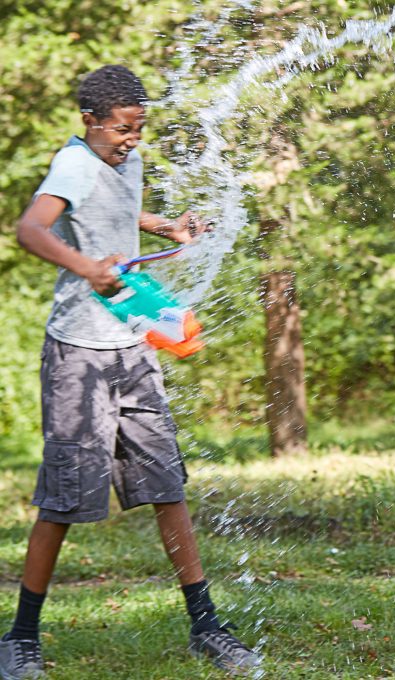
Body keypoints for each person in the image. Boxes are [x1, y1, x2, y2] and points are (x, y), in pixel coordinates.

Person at [5, 65, 261, 678]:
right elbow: (30, 229)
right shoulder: (72, 165)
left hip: (133, 346)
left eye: (139, 127)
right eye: (122, 129)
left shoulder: (124, 159)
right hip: (77, 354)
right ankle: (19, 637)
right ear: (90, 122)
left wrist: (164, 227)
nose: (133, 139)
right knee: (65, 499)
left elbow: (117, 214)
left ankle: (206, 625)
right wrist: (85, 267)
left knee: (166, 485)